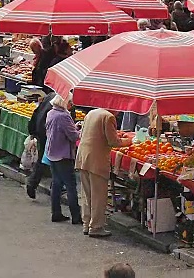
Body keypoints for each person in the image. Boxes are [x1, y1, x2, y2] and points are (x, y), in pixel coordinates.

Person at [76, 109, 132, 237]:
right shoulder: (108, 117)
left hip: (83, 157)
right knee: (98, 196)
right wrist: (129, 141)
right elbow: (114, 142)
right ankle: (96, 227)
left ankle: (86, 224)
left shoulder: (92, 113)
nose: (119, 112)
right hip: (97, 160)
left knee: (87, 194)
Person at [45, 94, 81, 223]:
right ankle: (76, 216)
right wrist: (81, 131)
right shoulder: (64, 116)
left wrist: (73, 127)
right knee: (71, 186)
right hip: (63, 155)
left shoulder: (51, 113)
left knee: (56, 184)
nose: (71, 105)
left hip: (52, 153)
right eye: (70, 102)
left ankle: (56, 212)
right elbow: (73, 137)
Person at [26, 92, 56, 199]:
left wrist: (32, 131)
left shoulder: (50, 96)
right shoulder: (64, 102)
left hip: (41, 129)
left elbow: (37, 112)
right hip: (50, 133)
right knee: (58, 160)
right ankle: (56, 187)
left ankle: (32, 183)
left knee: (42, 158)